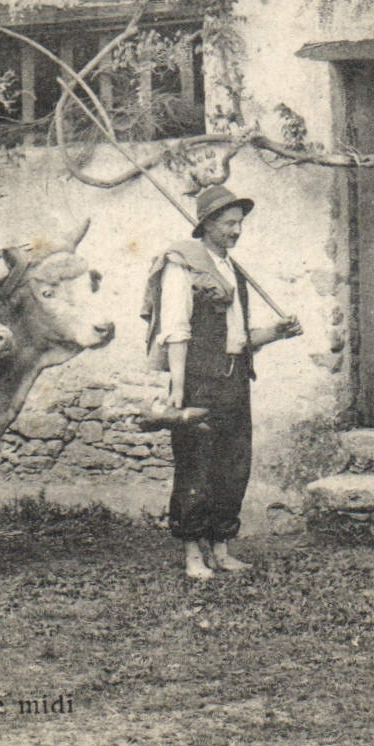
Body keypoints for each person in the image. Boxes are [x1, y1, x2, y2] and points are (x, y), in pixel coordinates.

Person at [142, 184, 301, 579]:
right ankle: (192, 554)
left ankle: (221, 548)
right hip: (199, 381)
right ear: (208, 223)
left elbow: (239, 337)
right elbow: (175, 329)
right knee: (195, 466)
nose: (236, 231)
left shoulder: (231, 270)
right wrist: (179, 388)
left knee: (233, 466)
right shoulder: (183, 265)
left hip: (235, 379)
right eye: (229, 223)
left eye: (239, 223)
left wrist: (277, 332)